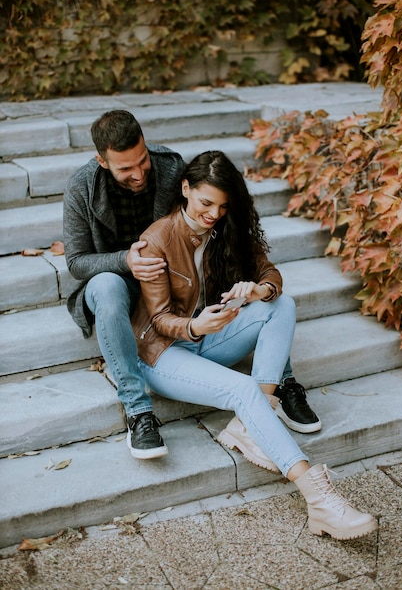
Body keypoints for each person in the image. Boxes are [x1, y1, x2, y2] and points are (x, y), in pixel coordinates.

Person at [131, 150, 377, 540]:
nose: (214, 213)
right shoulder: (157, 239)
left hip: (211, 337)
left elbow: (271, 275)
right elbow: (159, 319)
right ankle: (318, 499)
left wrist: (255, 290)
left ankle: (251, 423)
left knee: (281, 304)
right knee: (241, 387)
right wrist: (196, 325)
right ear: (185, 189)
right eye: (205, 202)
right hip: (163, 354)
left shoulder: (228, 229)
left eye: (223, 206)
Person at [63, 109, 318, 463]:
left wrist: (252, 283)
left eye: (142, 161)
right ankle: (137, 410)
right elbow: (76, 262)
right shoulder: (80, 188)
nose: (137, 174)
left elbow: (199, 223)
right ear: (101, 161)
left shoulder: (169, 167)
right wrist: (126, 261)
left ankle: (280, 383)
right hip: (119, 279)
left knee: (269, 295)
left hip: (175, 276)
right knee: (107, 287)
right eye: (125, 169)